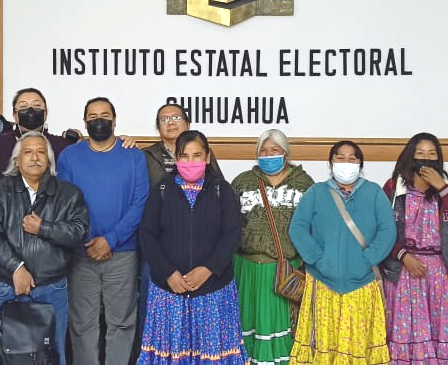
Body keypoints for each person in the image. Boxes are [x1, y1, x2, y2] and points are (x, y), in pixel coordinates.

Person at [137, 130, 247, 365]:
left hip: (214, 291)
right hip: (169, 293)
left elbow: (232, 233)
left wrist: (208, 269)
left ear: (207, 158)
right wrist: (168, 273)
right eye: (184, 156)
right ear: (176, 159)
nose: (190, 161)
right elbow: (147, 234)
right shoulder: (162, 190)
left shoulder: (222, 190)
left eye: (197, 155)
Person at [0, 131, 90, 365]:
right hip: (7, 285)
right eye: (27, 152)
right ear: (17, 161)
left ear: (49, 161)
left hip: (51, 287)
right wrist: (16, 268)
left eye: (41, 152)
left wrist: (43, 228)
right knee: (3, 356)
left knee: (52, 355)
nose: (35, 157)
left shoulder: (68, 193)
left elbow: (79, 232)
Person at [57, 97, 149, 365]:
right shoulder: (69, 156)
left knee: (121, 323)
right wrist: (89, 241)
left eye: (105, 116)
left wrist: (110, 240)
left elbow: (139, 203)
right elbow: (65, 202)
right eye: (93, 116)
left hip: (122, 253)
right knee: (82, 324)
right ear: (84, 122)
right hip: (81, 252)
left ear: (115, 121)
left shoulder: (133, 155)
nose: (99, 121)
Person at [288, 140, 395, 365]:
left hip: (362, 285)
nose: (346, 163)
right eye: (340, 157)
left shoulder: (374, 193)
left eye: (352, 158)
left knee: (359, 344)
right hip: (322, 286)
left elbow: (387, 231)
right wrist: (317, 259)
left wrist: (368, 259)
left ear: (360, 165)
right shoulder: (316, 193)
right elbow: (298, 228)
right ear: (330, 163)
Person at [380, 133, 448, 364]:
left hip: (439, 272)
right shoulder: (394, 187)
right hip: (404, 269)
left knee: (440, 330)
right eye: (420, 153)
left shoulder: (447, 188)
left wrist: (442, 186)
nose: (426, 158)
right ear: (409, 156)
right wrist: (403, 256)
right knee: (407, 330)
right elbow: (381, 229)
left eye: (432, 154)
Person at [230, 129, 314, 365]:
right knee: (248, 325)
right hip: (246, 270)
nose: (268, 155)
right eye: (263, 151)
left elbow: (315, 227)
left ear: (286, 153)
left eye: (274, 150)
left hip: (284, 273)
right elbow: (230, 224)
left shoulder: (304, 184)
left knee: (282, 330)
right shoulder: (243, 182)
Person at [0, 87, 71, 184]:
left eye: (37, 105)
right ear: (15, 115)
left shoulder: (62, 146)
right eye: (23, 106)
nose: (30, 110)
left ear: (45, 113)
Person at [142, 103, 222, 187]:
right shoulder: (146, 155)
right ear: (158, 128)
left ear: (188, 124)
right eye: (164, 119)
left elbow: (218, 184)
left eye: (176, 117)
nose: (171, 122)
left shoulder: (202, 150)